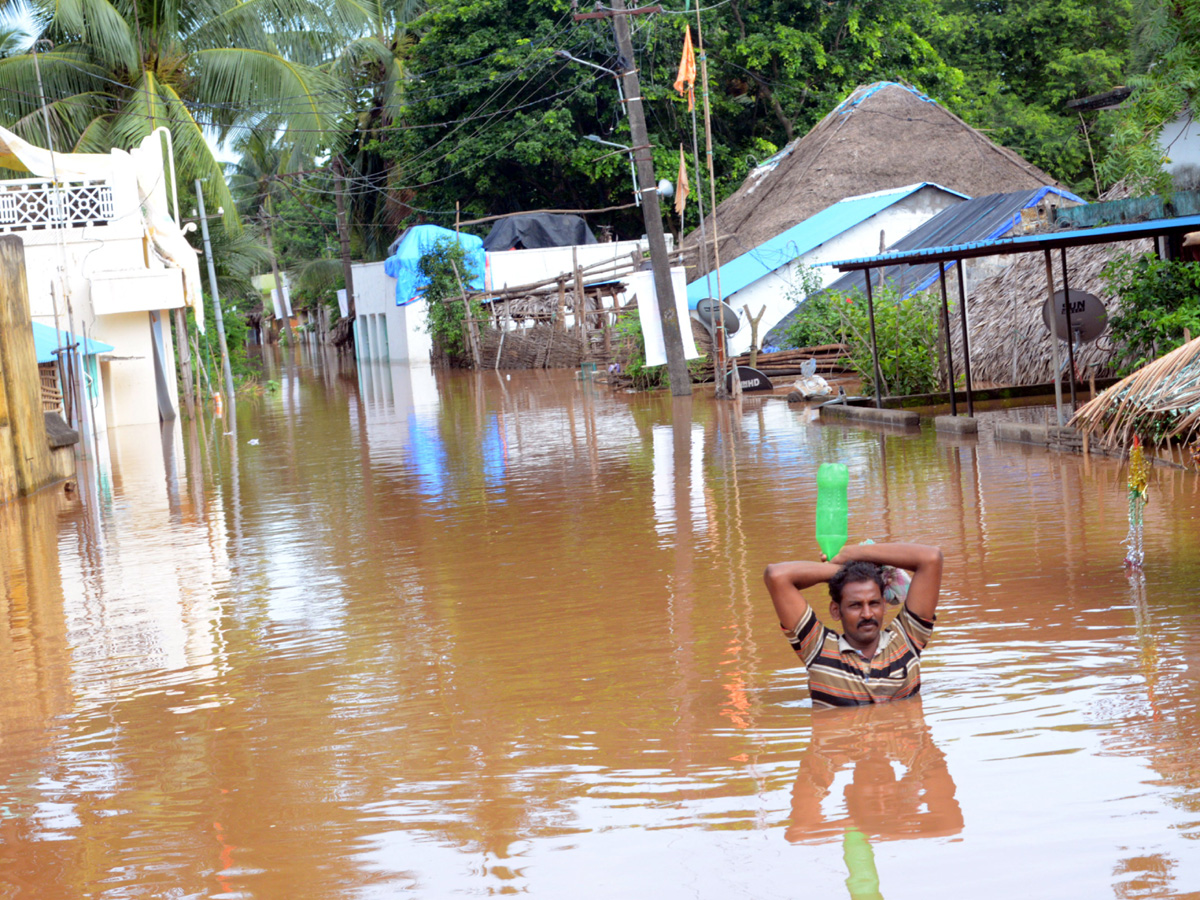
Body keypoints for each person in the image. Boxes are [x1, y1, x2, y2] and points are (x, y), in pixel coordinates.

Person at [763, 542, 943, 708]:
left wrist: (856, 552)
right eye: (855, 605)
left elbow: (931, 558)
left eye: (873, 603)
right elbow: (776, 575)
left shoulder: (906, 639)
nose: (867, 614)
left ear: (883, 605)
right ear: (835, 610)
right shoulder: (817, 646)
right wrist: (846, 571)